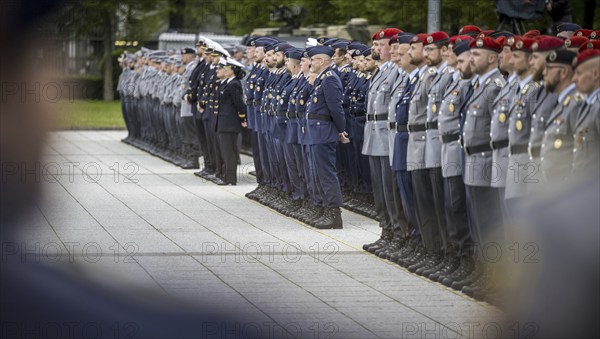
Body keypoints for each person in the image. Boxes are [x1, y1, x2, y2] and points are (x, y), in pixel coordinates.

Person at [302, 45, 349, 229]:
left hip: (323, 132)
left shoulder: (329, 79)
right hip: (315, 132)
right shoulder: (320, 79)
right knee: (317, 174)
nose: (310, 63)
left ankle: (334, 214)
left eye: (313, 60)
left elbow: (336, 109)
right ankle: (323, 209)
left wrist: (341, 130)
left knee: (326, 174)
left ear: (322, 61)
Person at [540, 49, 581, 181]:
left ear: (563, 72)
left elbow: (580, 151)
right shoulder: (562, 102)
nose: (543, 73)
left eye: (549, 68)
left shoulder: (575, 104)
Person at [215, 57, 247, 185]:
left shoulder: (234, 84)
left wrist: (242, 117)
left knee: (229, 151)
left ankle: (230, 178)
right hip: (224, 122)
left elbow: (239, 103)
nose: (223, 70)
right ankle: (226, 176)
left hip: (230, 123)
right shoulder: (227, 83)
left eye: (226, 68)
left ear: (232, 70)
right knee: (225, 150)